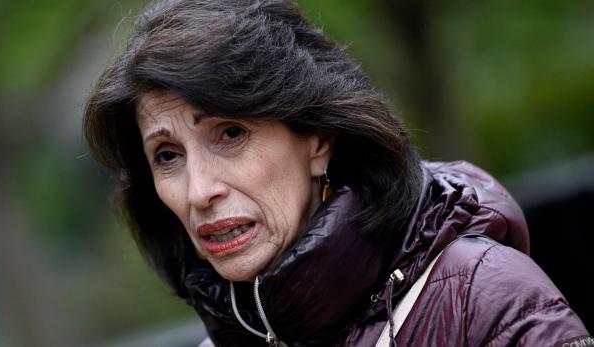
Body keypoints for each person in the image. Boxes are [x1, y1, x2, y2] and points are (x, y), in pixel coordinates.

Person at [83, 0, 591, 346]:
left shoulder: (488, 301)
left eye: (231, 134)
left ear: (318, 139)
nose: (199, 192)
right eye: (167, 156)